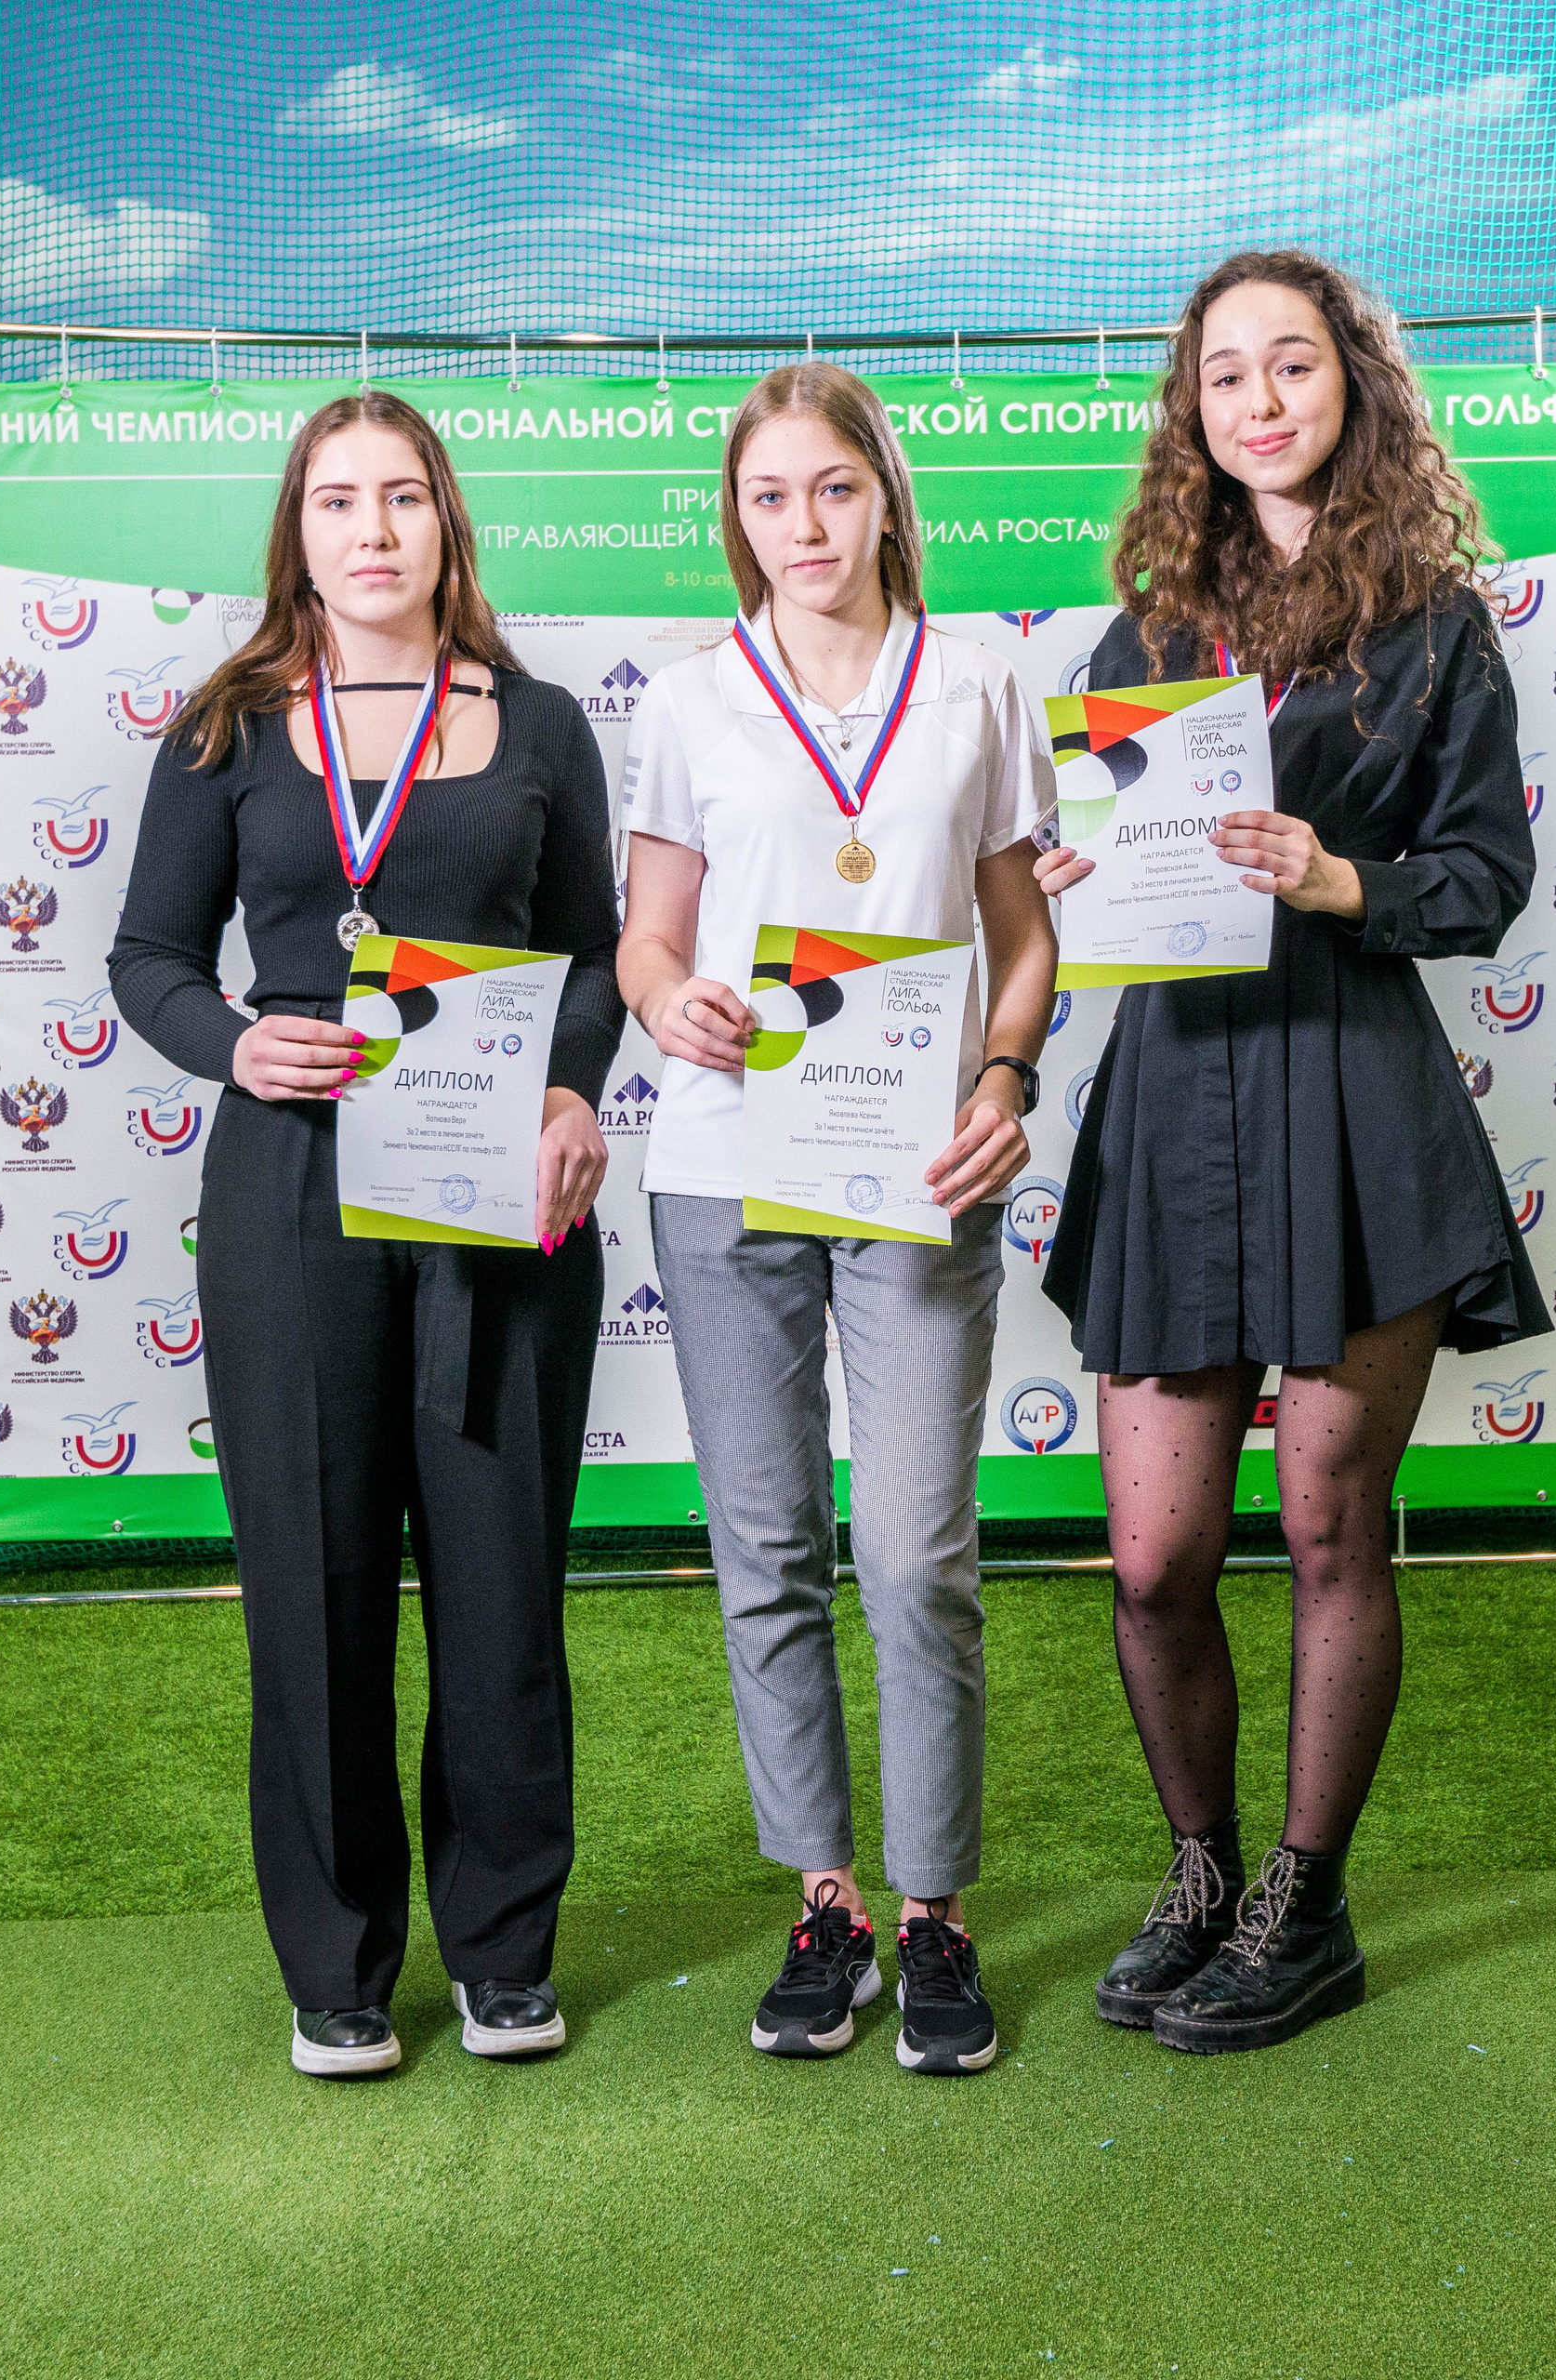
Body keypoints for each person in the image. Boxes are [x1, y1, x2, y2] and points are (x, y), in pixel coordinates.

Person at [1035, 251, 1550, 2055]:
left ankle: (1300, 1901)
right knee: (1154, 1557)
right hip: (1173, 1104)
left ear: (1352, 384)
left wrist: (1340, 877)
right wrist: (1069, 880)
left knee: (1332, 1526)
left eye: (1291, 364)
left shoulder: (1435, 620)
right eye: (1224, 374)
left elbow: (1485, 877)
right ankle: (1194, 1868)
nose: (1257, 397)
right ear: (1192, 408)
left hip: (1349, 1098)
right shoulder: (1143, 630)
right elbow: (1101, 862)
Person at [110, 391, 623, 2078]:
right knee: (317, 1580)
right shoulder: (229, 727)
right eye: (340, 503)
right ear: (300, 533)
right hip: (292, 1190)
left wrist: (567, 1095)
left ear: (447, 524)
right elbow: (148, 961)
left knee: (496, 1580)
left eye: (404, 498)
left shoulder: (541, 723)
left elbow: (600, 955)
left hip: (493, 1194)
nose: (375, 531)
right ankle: (336, 1965)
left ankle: (502, 1952)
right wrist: (234, 1043)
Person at [615, 363, 1059, 2076]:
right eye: (769, 499)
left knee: (916, 1550)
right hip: (724, 1166)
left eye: (833, 491)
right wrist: (669, 1007)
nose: (804, 527)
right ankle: (830, 1904)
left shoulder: (978, 681)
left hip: (916, 1162)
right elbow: (654, 937)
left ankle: (937, 1910)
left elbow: (1019, 935)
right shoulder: (687, 698)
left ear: (885, 497)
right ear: (738, 520)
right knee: (768, 1548)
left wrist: (1006, 1080)